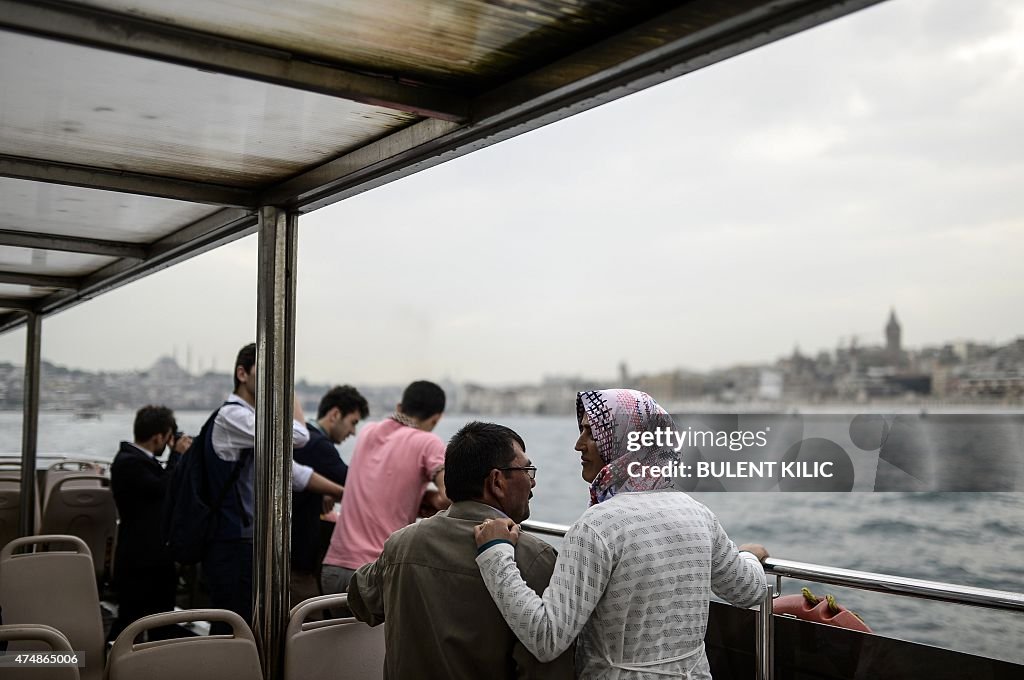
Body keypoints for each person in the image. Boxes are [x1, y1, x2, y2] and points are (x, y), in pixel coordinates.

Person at [475, 389, 769, 679]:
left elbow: (546, 638)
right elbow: (748, 590)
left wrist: (495, 552)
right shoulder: (697, 514)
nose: (579, 445)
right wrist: (749, 557)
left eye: (592, 433)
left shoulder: (598, 526)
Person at [347, 421, 574, 679]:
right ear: (497, 481)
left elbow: (359, 600)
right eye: (527, 470)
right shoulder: (534, 558)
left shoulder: (402, 544)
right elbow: (550, 668)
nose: (532, 483)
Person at [203, 343, 344, 631]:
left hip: (247, 540)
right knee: (233, 626)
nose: (271, 379)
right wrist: (286, 388)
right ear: (242, 374)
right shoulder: (233, 417)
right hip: (228, 540)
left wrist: (347, 494)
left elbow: (291, 472)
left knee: (246, 625)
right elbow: (299, 435)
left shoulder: (251, 425)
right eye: (266, 372)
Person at [321, 380, 450, 597]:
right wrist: (431, 500)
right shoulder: (428, 442)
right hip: (376, 573)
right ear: (436, 418)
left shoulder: (368, 432)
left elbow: (380, 484)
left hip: (334, 568)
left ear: (400, 407)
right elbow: (449, 494)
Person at [108, 405, 192, 642]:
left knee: (161, 621)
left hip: (152, 556)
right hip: (139, 559)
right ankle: (110, 663)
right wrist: (177, 456)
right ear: (158, 437)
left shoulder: (139, 460)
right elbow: (163, 488)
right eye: (167, 438)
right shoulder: (128, 462)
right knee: (129, 624)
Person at [291, 385, 369, 606]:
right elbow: (356, 485)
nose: (353, 432)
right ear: (335, 414)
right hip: (297, 563)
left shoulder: (304, 441)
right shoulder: (319, 446)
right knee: (308, 630)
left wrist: (325, 491)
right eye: (353, 422)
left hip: (282, 555)